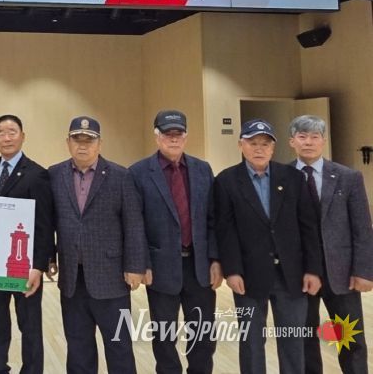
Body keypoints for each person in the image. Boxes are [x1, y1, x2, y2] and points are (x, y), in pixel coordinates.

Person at [215, 118, 323, 374]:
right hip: (248, 276)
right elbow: (225, 231)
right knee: (252, 343)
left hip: (292, 275)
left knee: (293, 342)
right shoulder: (226, 181)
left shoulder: (293, 178)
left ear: (273, 148)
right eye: (253, 143)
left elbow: (308, 228)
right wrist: (232, 271)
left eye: (265, 143)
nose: (259, 149)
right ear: (241, 145)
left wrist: (313, 270)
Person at [49, 116, 146, 374]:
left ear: (100, 144)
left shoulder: (120, 176)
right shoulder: (54, 175)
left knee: (119, 347)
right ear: (67, 143)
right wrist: (50, 257)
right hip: (72, 279)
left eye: (89, 140)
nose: (82, 145)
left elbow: (133, 224)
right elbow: (48, 221)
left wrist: (135, 266)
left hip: (111, 278)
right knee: (78, 347)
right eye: (77, 139)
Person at [129, 110, 221, 374]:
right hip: (160, 268)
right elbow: (135, 224)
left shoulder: (203, 170)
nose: (173, 139)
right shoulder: (138, 173)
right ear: (156, 136)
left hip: (199, 267)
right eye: (167, 134)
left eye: (178, 133)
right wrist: (142, 263)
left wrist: (216, 259)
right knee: (164, 337)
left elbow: (213, 219)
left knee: (203, 335)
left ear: (186, 136)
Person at [287, 115, 373, 374]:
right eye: (302, 136)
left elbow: (362, 229)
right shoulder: (282, 177)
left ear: (323, 141)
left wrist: (364, 271)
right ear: (292, 141)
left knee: (349, 338)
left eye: (314, 137)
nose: (308, 142)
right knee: (305, 337)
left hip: (342, 274)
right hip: (300, 273)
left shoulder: (348, 177)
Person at [0, 114, 54, 374]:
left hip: (25, 266)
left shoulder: (38, 174)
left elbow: (45, 225)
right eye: (1, 133)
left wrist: (39, 266)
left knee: (29, 327)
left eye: (12, 132)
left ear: (22, 136)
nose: (6, 138)